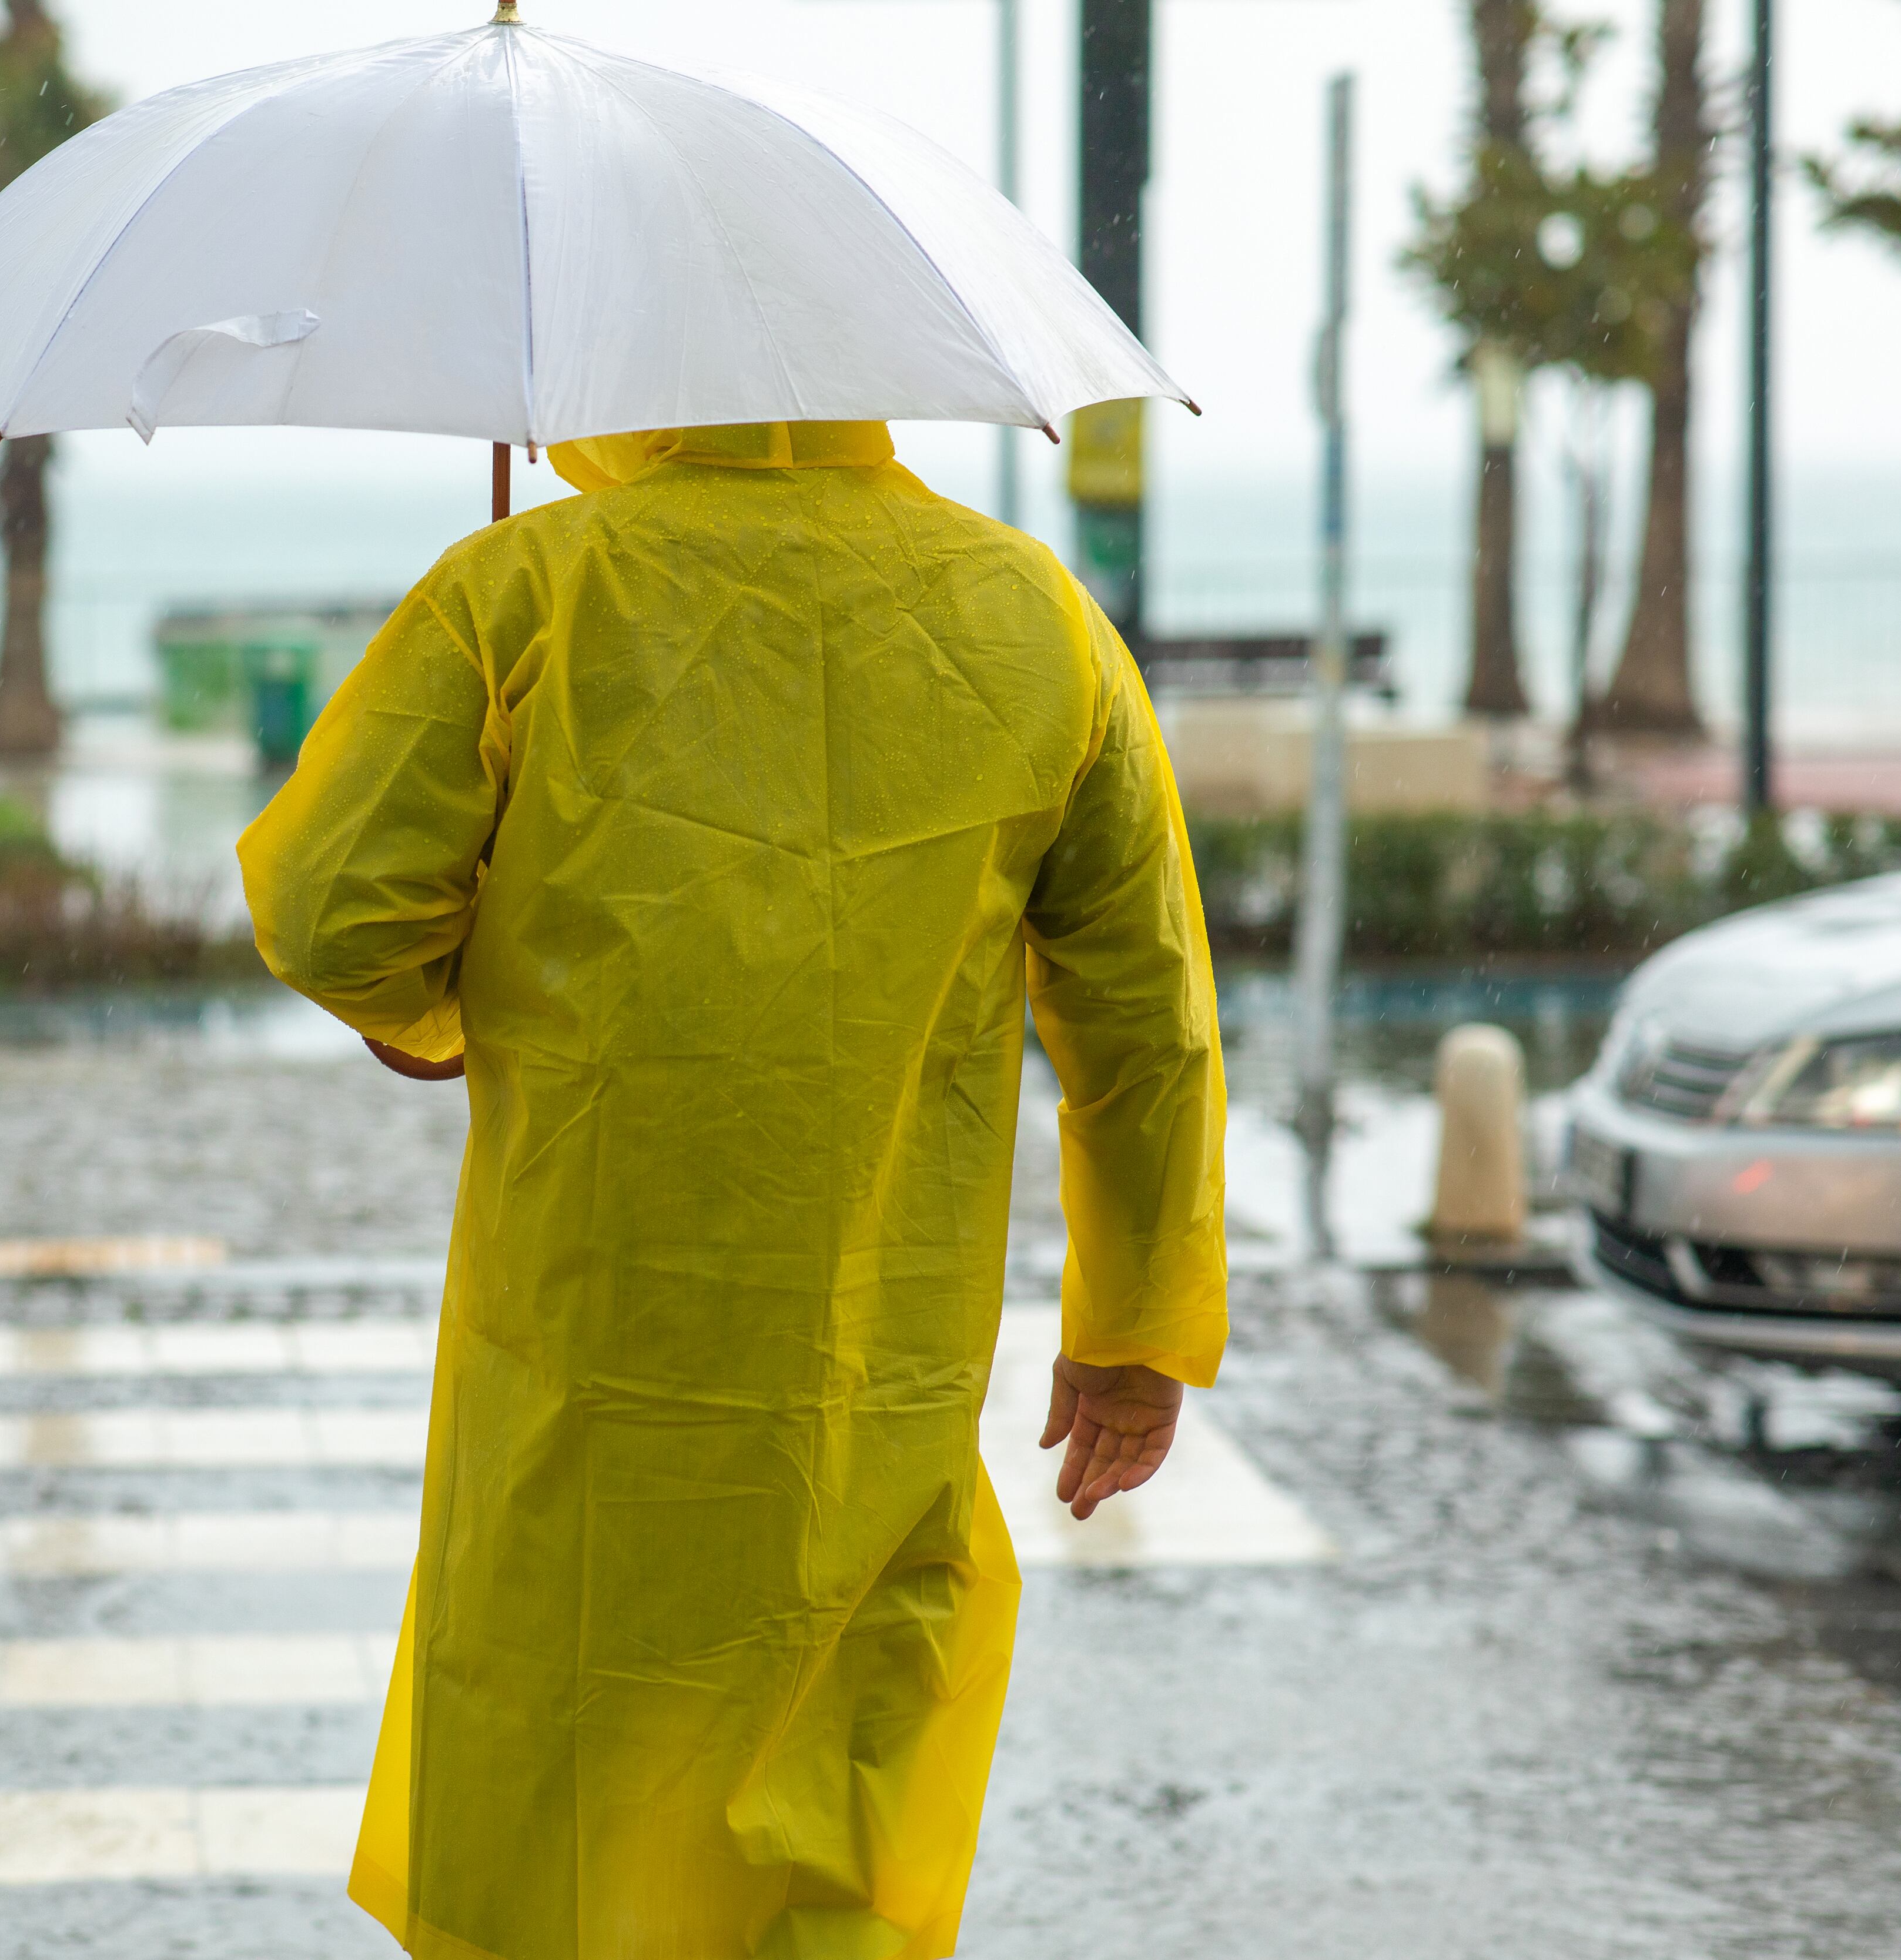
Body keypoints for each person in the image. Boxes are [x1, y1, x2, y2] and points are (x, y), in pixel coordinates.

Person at [237, 419, 1226, 1960]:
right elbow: (1144, 1015)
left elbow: (327, 908)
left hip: (587, 1377)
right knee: (831, 1837)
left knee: (566, 1814)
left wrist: (436, 1006)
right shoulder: (1038, 620)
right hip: (873, 1387)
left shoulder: (527, 593)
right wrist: (1137, 1329)